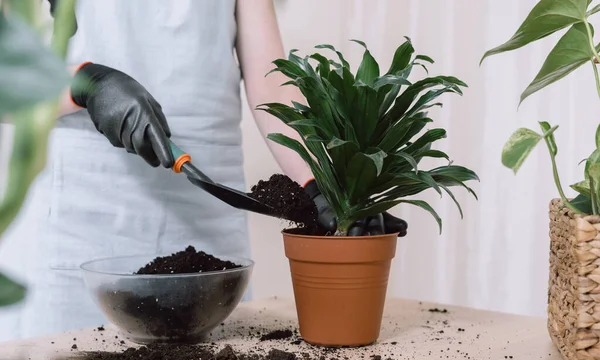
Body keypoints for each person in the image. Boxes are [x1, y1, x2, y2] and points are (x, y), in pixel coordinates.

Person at [0, 0, 407, 341]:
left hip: (208, 225)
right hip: (82, 224)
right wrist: (86, 85)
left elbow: (271, 83)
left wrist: (322, 183)